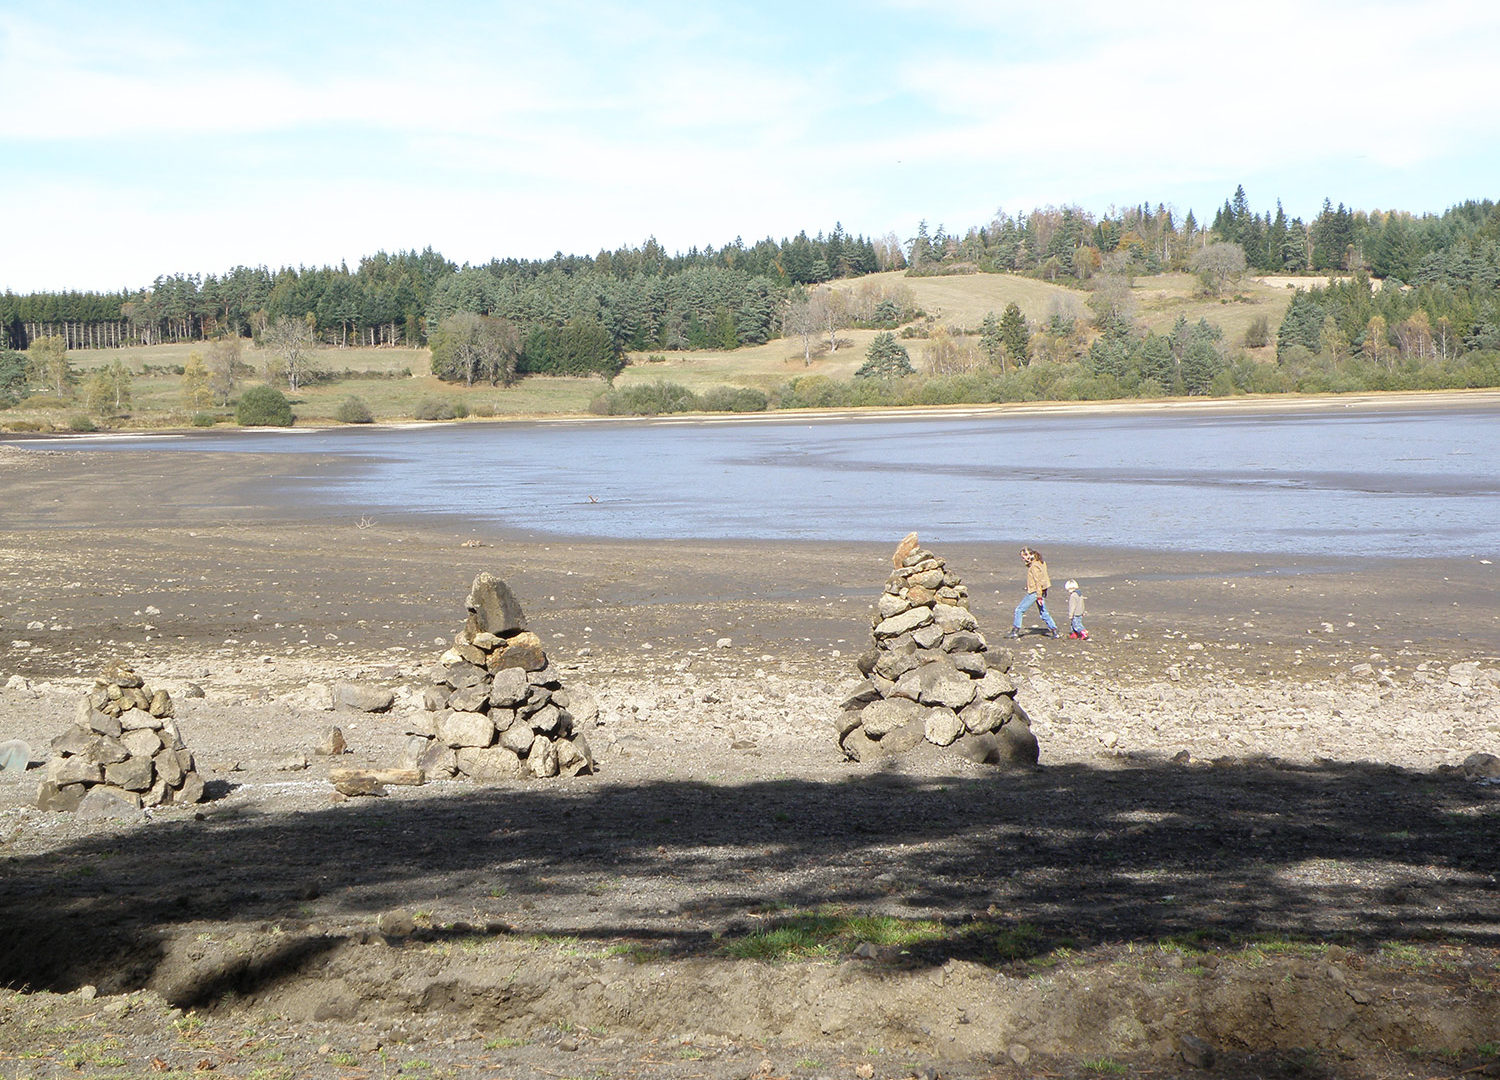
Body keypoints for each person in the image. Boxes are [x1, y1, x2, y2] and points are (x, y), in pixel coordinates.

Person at [1007, 547, 1058, 638]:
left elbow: (1038, 581)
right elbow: (1045, 578)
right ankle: (1054, 630)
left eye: (1023, 557)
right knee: (1043, 612)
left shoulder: (1034, 566)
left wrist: (1039, 596)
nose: (1023, 560)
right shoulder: (1041, 563)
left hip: (1035, 592)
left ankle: (1015, 631)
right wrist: (1044, 590)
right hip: (1040, 591)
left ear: (1028, 555)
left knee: (1019, 610)